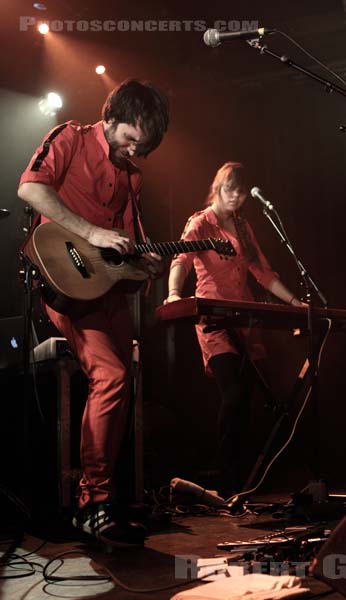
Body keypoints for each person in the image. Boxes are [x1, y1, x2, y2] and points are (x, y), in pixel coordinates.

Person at [18, 79, 169, 546]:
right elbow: (29, 189)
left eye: (142, 147)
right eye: (130, 140)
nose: (133, 151)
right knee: (112, 376)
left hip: (104, 291)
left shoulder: (131, 175)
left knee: (127, 378)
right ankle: (93, 503)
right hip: (62, 282)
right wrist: (91, 232)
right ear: (112, 117)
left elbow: (125, 246)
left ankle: (108, 499)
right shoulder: (70, 137)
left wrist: (144, 265)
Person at [165, 162, 304, 496]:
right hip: (214, 319)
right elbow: (180, 260)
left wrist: (295, 303)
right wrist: (173, 294)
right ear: (218, 187)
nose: (237, 197)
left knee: (251, 398)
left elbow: (262, 271)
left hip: (245, 317)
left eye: (242, 192)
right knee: (234, 393)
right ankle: (227, 479)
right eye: (231, 190)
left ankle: (242, 478)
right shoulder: (200, 222)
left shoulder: (243, 227)